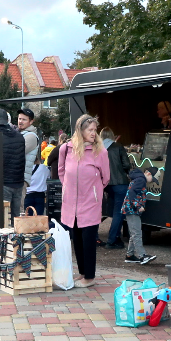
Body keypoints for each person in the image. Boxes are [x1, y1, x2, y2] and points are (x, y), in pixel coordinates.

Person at [58, 114, 110, 288]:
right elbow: (61, 172)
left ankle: (90, 276)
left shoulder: (100, 152)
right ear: (80, 131)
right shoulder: (66, 149)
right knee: (77, 238)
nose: (94, 133)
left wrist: (94, 192)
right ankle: (82, 272)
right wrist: (69, 188)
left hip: (90, 202)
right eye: (90, 130)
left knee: (88, 239)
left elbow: (106, 178)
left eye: (95, 130)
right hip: (71, 203)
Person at [0, 109, 25, 224]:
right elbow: (23, 160)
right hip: (18, 183)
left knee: (2, 220)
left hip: (2, 184)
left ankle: (5, 242)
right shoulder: (19, 136)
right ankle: (16, 242)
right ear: (8, 120)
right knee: (15, 220)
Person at [100, 127, 131, 249]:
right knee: (119, 212)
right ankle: (112, 240)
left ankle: (116, 237)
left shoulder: (98, 149)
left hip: (107, 185)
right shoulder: (118, 147)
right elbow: (126, 164)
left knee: (115, 211)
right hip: (120, 183)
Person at [122, 167, 157, 264]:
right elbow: (132, 193)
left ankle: (130, 255)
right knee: (137, 233)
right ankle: (142, 256)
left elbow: (131, 192)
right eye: (152, 179)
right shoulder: (141, 180)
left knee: (134, 233)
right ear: (149, 174)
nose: (151, 181)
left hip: (130, 209)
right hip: (132, 210)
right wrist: (138, 206)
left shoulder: (137, 178)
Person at [17, 108, 39, 206]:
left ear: (31, 121)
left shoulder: (31, 136)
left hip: (21, 177)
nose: (20, 121)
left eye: (24, 119)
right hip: (16, 176)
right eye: (19, 119)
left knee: (18, 208)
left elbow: (16, 151)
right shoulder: (20, 133)